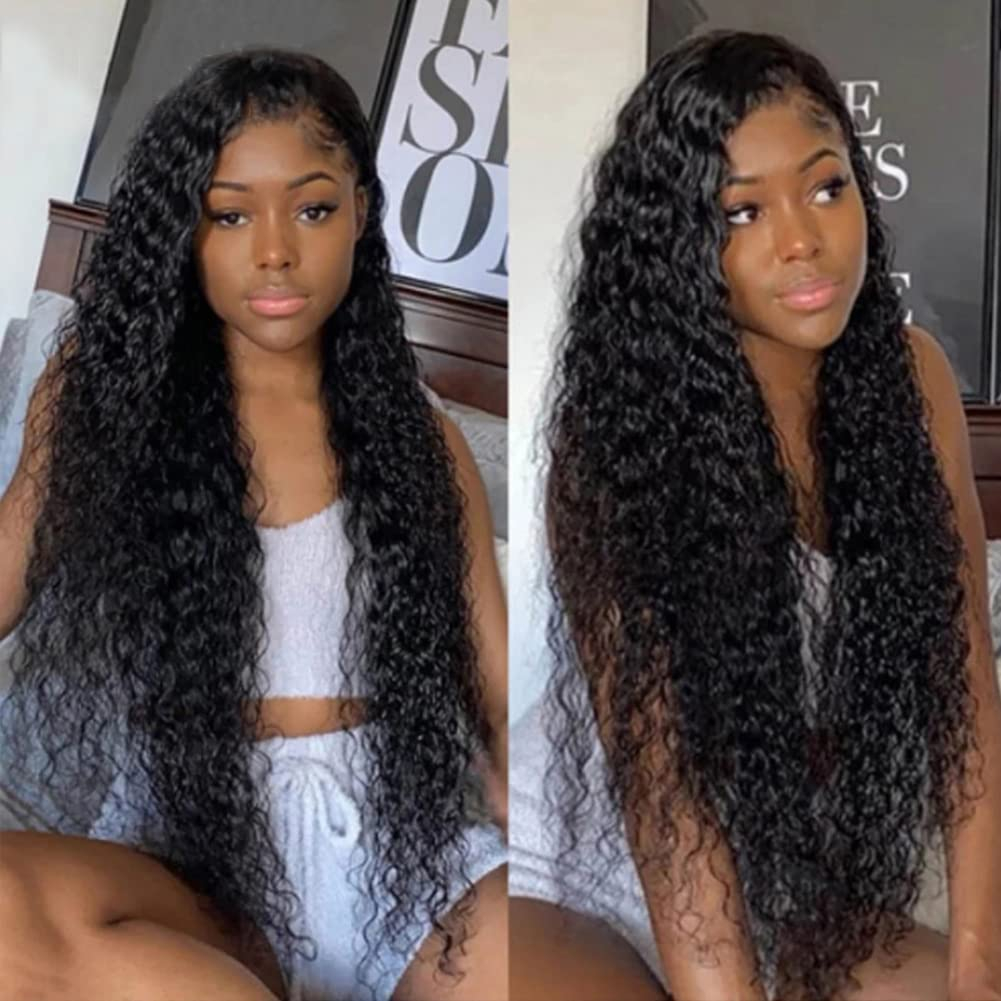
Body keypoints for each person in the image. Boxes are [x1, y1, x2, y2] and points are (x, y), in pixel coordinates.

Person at [0, 48, 508, 1001]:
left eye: (311, 209)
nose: (274, 250)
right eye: (230, 214)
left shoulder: (422, 437)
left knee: (556, 954)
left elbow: (497, 687)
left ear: (360, 210)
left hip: (402, 858)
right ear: (184, 229)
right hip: (192, 856)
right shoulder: (103, 396)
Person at [509, 30, 1001, 1001]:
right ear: (677, 239)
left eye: (825, 187)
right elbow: (667, 802)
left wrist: (975, 963)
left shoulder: (915, 384)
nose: (801, 239)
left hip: (786, 877)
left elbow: (966, 699)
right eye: (740, 211)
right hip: (588, 869)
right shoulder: (617, 441)